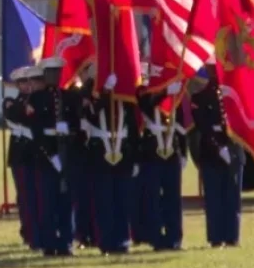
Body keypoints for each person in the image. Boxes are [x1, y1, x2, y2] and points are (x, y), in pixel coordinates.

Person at [83, 71, 140, 255]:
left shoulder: (125, 91)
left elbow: (132, 126)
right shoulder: (88, 91)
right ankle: (106, 241)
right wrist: (106, 91)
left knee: (122, 199)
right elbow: (89, 114)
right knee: (104, 200)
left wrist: (135, 157)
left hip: (122, 151)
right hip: (100, 152)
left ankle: (123, 240)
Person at [27, 57, 78, 257]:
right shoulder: (36, 99)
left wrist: (70, 131)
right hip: (46, 156)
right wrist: (50, 155)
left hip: (66, 151)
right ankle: (49, 244)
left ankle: (65, 243)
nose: (54, 77)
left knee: (66, 202)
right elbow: (36, 131)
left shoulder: (68, 97)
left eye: (57, 73)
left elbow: (77, 122)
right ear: (45, 75)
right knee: (47, 202)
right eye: (50, 73)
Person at [191, 64, 245, 248]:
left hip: (233, 149)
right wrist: (219, 148)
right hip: (211, 153)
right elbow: (203, 127)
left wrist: (231, 147)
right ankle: (215, 237)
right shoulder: (199, 98)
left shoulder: (236, 95)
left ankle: (232, 236)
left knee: (232, 197)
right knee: (214, 197)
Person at [135, 63, 188, 251]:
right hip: (151, 152)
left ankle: (175, 238)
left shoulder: (174, 94)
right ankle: (156, 237)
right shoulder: (142, 91)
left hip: (171, 150)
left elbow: (181, 125)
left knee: (173, 198)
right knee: (153, 199)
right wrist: (165, 92)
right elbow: (147, 106)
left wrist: (184, 151)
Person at [3, 66, 40, 251]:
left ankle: (40, 232)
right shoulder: (11, 101)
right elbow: (14, 114)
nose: (27, 85)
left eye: (30, 81)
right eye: (23, 82)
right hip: (20, 156)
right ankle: (29, 233)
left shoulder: (40, 100)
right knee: (25, 198)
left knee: (40, 196)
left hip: (38, 155)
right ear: (17, 85)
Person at [68, 68, 96, 249]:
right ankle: (82, 234)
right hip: (78, 151)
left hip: (97, 149)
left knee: (96, 197)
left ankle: (95, 234)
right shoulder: (72, 93)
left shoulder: (96, 90)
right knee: (79, 197)